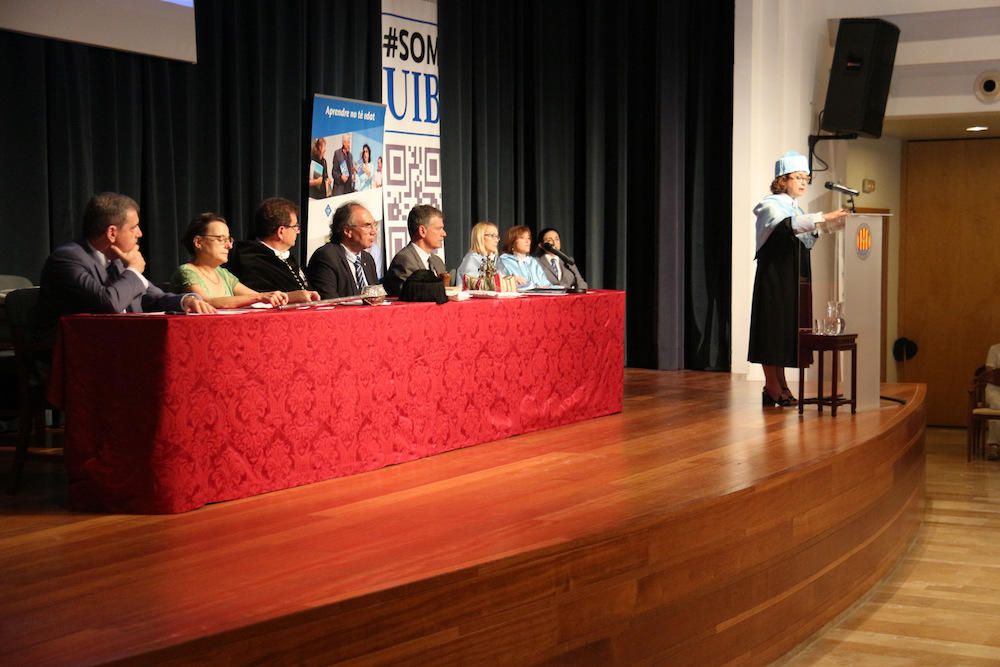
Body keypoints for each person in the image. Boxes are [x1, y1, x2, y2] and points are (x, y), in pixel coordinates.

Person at [37, 192, 214, 341]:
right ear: (112, 233)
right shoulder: (68, 259)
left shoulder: (118, 262)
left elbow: (155, 298)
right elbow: (108, 304)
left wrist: (186, 301)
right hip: (76, 355)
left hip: (119, 346)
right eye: (134, 227)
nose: (140, 233)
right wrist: (134, 270)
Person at [749, 151, 846, 407]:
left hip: (794, 280)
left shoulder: (796, 207)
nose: (803, 183)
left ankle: (782, 383)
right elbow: (786, 227)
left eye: (806, 179)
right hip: (775, 279)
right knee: (772, 331)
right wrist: (822, 218)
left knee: (785, 332)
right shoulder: (770, 204)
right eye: (798, 178)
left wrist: (823, 226)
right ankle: (771, 385)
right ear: (783, 179)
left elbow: (803, 236)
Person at [170, 213, 288, 308]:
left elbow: (260, 296)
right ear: (198, 242)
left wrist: (300, 296)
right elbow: (206, 302)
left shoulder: (222, 273)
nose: (229, 246)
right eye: (221, 239)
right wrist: (260, 297)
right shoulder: (187, 271)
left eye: (229, 240)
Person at [224, 197, 320, 303]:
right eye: (295, 227)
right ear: (281, 231)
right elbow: (261, 299)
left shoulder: (286, 257)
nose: (297, 231)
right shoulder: (251, 260)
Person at [305, 202, 379, 299]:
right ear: (348, 231)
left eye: (374, 225)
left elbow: (377, 297)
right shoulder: (326, 257)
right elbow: (329, 302)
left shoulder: (367, 259)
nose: (373, 231)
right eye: (367, 226)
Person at [384, 204, 447, 297]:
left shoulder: (438, 262)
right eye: (438, 229)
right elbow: (412, 296)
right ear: (422, 231)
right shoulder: (404, 260)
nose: (444, 234)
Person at [454, 221, 507, 287]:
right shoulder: (472, 259)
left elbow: (502, 278)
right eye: (492, 236)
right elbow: (473, 284)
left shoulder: (495, 259)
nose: (496, 240)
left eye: (497, 236)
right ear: (480, 237)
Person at [498, 226, 551, 290]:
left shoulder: (533, 262)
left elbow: (546, 284)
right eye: (522, 238)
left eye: (528, 238)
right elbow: (502, 284)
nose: (527, 241)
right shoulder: (504, 262)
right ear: (512, 242)